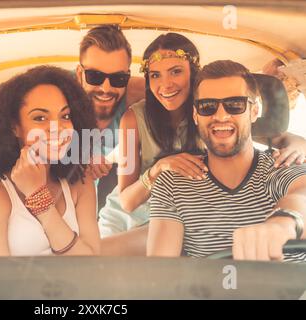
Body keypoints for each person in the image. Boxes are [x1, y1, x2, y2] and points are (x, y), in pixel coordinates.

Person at [99, 33, 306, 253]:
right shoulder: (133, 119)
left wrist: (298, 144)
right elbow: (127, 202)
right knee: (96, 258)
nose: (165, 84)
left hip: (183, 216)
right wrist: (159, 168)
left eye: (176, 72)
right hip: (133, 214)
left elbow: (254, 134)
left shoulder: (214, 113)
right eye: (155, 75)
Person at [148, 60, 305, 262]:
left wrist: (284, 223)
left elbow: (301, 195)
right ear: (196, 115)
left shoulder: (283, 165)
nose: (221, 116)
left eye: (235, 105)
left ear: (254, 111)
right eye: (207, 106)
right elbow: (161, 270)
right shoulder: (173, 184)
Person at [0, 66, 100, 256]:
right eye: (40, 118)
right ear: (15, 127)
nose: (57, 128)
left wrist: (40, 201)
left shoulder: (81, 183)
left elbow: (92, 264)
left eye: (65, 116)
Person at [76, 25, 145, 210]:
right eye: (94, 76)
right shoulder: (58, 94)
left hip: (112, 188)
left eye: (118, 79)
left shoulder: (139, 93)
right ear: (79, 74)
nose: (106, 88)